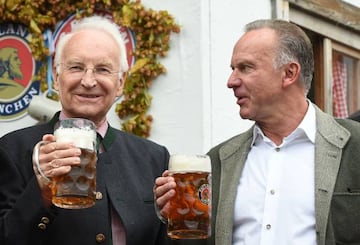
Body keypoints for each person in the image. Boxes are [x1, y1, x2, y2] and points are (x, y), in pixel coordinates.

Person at [154, 19, 360, 245]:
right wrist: (174, 216)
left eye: (245, 68)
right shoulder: (218, 159)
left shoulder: (354, 145)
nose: (231, 82)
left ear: (289, 73)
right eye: (233, 69)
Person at [0, 15, 170, 245]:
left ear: (120, 82)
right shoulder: (12, 150)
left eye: (102, 69)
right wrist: (41, 192)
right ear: (57, 76)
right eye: (76, 67)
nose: (89, 81)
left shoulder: (153, 158)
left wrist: (175, 220)